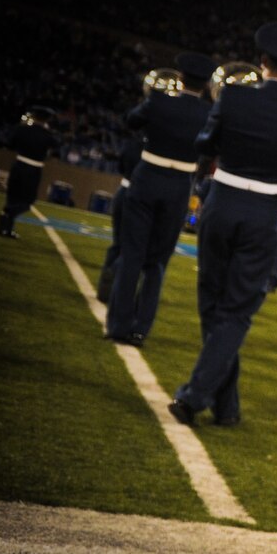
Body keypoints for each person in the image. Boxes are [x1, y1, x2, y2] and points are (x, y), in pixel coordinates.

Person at [167, 22, 277, 427]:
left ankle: (200, 397)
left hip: (222, 202)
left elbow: (204, 144)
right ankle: (223, 404)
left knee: (212, 302)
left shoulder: (233, 97)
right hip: (265, 212)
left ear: (262, 61)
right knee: (236, 311)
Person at [104, 55, 214, 343]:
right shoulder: (212, 113)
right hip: (180, 185)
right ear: (206, 84)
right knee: (157, 262)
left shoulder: (159, 100)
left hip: (147, 177)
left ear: (180, 76)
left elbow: (131, 121)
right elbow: (214, 150)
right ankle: (141, 328)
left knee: (132, 256)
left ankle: (118, 326)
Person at [96, 129, 147, 304]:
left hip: (123, 191)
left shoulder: (131, 144)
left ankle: (104, 287)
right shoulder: (154, 147)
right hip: (140, 196)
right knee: (135, 247)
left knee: (117, 243)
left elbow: (120, 166)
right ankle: (119, 288)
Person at [0, 105, 58, 239]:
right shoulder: (48, 135)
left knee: (12, 197)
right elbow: (55, 152)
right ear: (47, 119)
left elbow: (10, 144)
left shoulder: (22, 129)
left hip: (18, 164)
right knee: (27, 201)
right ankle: (7, 215)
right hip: (33, 169)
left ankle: (6, 228)